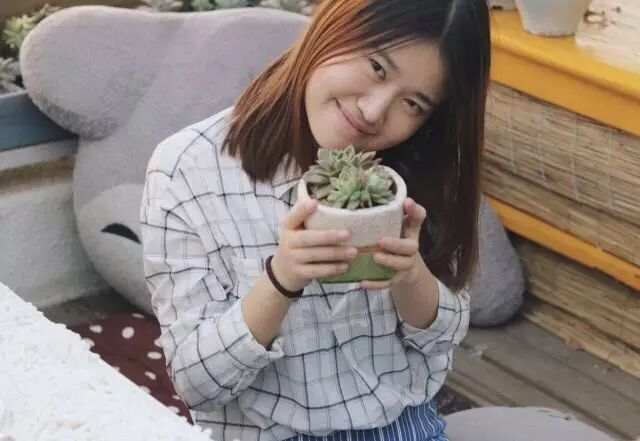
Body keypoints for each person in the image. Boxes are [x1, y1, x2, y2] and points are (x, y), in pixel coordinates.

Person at [141, 0, 487, 439]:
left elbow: (444, 337)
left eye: (414, 103)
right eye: (377, 67)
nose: (374, 111)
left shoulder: (420, 168)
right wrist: (282, 279)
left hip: (403, 427)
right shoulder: (188, 168)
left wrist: (409, 275)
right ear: (334, 24)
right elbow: (196, 385)